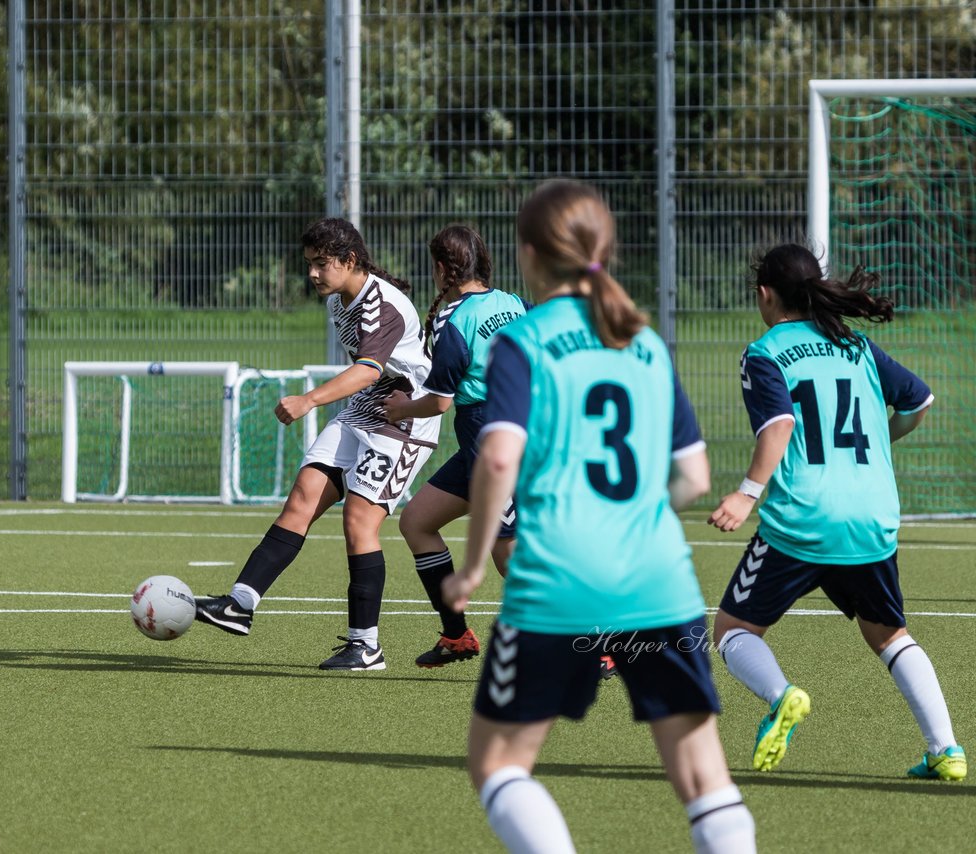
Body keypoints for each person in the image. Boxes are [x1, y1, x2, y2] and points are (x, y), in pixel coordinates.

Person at [443, 179, 755, 854]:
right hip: (658, 583)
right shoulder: (643, 340)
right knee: (704, 778)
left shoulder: (523, 340)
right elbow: (694, 477)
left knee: (497, 764)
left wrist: (471, 566)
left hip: (559, 581)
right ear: (602, 250)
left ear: (528, 254)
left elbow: (497, 461)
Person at [707, 243, 966, 781]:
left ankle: (781, 698)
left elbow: (779, 427)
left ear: (765, 294)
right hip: (872, 517)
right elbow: (920, 403)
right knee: (890, 635)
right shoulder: (857, 345)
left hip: (803, 519)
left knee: (732, 631)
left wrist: (745, 494)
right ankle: (947, 750)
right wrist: (877, 441)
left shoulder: (765, 351)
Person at [194, 217, 441, 671]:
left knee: (358, 520)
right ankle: (240, 603)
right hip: (368, 408)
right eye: (308, 263)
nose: (311, 273)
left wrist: (309, 400)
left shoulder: (380, 306)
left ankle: (365, 646)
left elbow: (368, 369)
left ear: (349, 260)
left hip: (405, 419)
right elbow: (369, 378)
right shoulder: (341, 301)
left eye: (320, 263)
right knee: (302, 497)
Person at [381, 224, 528, 668]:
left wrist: (402, 408)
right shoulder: (512, 302)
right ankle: (456, 634)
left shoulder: (454, 320)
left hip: (495, 440)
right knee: (418, 522)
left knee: (509, 556)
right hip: (495, 438)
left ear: (442, 268)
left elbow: (442, 402)